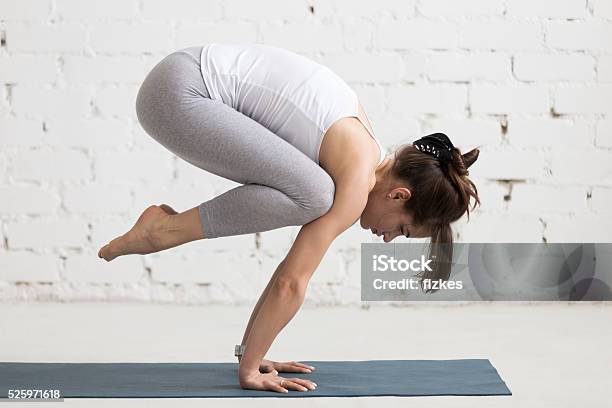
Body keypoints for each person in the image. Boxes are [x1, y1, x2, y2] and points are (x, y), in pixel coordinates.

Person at [97, 42, 481, 393]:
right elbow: (291, 282)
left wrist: (250, 352)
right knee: (316, 195)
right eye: (401, 228)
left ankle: (162, 229)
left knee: (313, 192)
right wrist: (248, 373)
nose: (387, 238)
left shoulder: (362, 148)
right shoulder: (355, 178)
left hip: (178, 83)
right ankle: (162, 230)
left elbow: (287, 272)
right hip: (178, 94)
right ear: (399, 195)